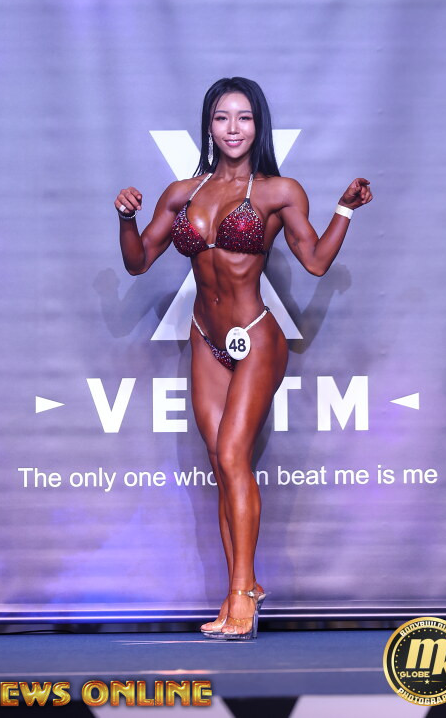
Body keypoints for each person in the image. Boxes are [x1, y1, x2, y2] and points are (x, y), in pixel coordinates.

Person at [114, 77, 372, 640]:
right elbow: (138, 262)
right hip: (205, 338)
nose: (233, 129)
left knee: (233, 454)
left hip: (255, 337)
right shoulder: (183, 192)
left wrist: (345, 210)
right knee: (221, 463)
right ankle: (241, 589)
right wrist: (127, 219)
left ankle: (241, 596)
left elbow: (315, 261)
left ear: (259, 126)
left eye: (244, 118)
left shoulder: (280, 191)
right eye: (222, 118)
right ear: (209, 127)